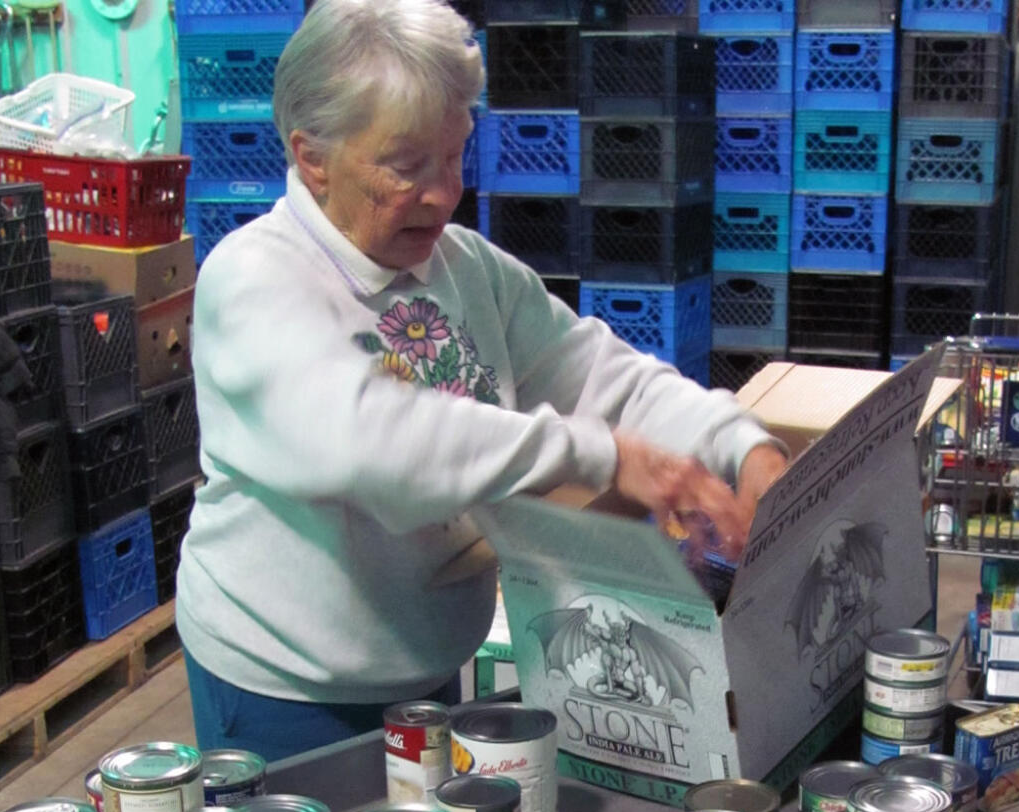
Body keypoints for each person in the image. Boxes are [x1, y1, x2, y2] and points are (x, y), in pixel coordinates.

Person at [176, 0, 788, 762]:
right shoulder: (254, 281)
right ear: (312, 156)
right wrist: (602, 457)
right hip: (288, 690)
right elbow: (369, 443)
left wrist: (744, 448)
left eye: (455, 155)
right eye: (407, 166)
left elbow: (605, 375)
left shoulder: (466, 270)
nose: (444, 192)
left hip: (426, 667)